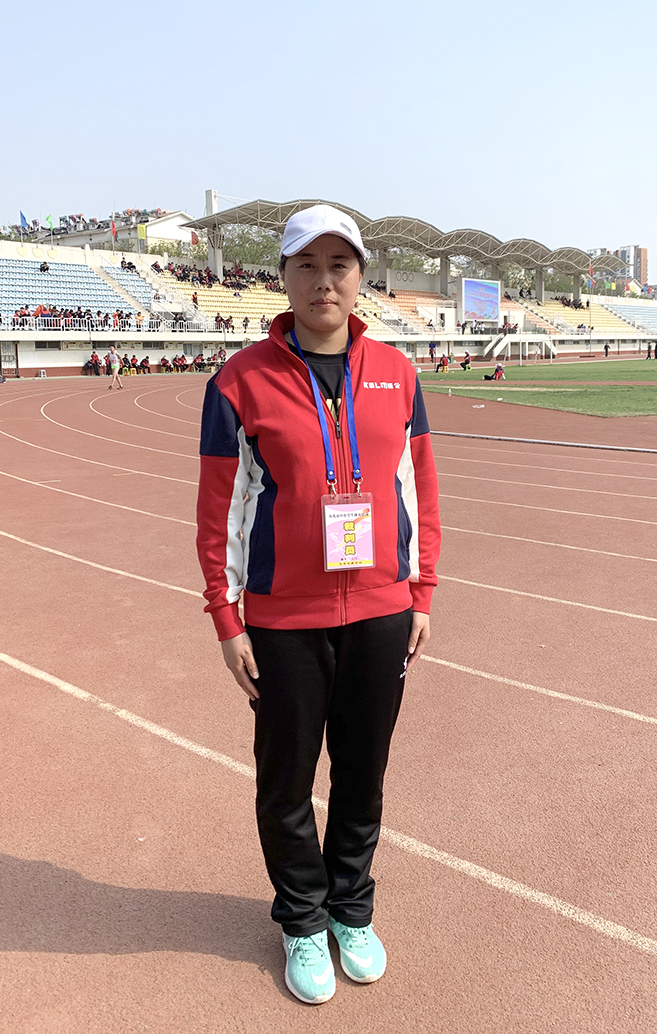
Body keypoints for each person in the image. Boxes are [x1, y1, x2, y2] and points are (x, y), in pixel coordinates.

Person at [196, 205, 441, 1006]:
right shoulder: (238, 382)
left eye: (340, 265)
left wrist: (421, 593)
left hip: (380, 613)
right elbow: (220, 510)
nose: (323, 280)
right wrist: (226, 616)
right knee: (286, 783)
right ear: (284, 277)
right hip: (283, 622)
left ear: (361, 277)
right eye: (307, 264)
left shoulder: (398, 375)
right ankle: (302, 919)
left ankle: (350, 909)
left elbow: (418, 491)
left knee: (363, 777)